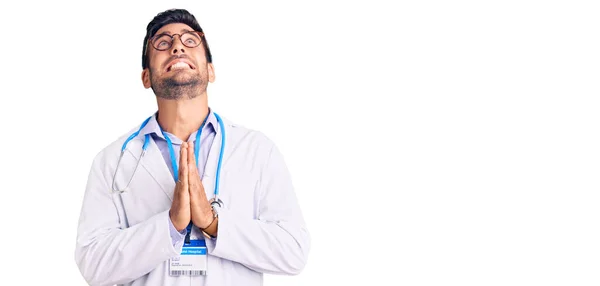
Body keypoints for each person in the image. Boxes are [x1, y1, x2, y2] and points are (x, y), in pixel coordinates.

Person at [74, 8, 310, 286]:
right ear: (146, 77)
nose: (176, 46)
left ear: (210, 70)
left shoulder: (257, 150)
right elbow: (93, 265)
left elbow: (293, 252)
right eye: (162, 42)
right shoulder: (112, 161)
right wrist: (170, 225)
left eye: (190, 40)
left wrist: (213, 223)